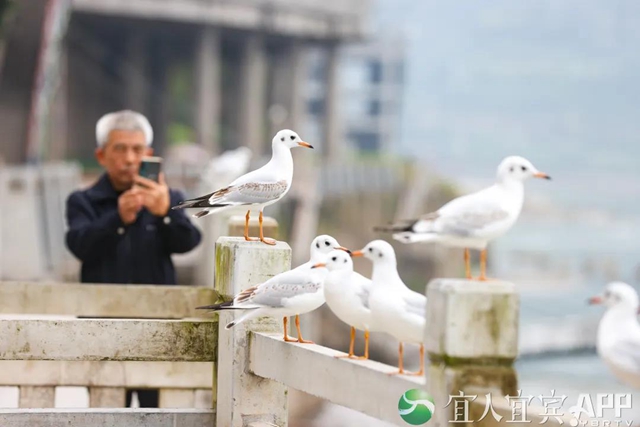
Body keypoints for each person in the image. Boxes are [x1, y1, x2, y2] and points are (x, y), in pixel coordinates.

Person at [65, 109, 202, 285]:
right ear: (101, 155)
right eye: (120, 149)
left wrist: (166, 213)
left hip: (158, 306)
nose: (129, 159)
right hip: (100, 306)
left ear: (148, 155)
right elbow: (79, 247)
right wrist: (118, 219)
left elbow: (188, 243)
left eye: (137, 149)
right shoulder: (83, 201)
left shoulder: (169, 197)